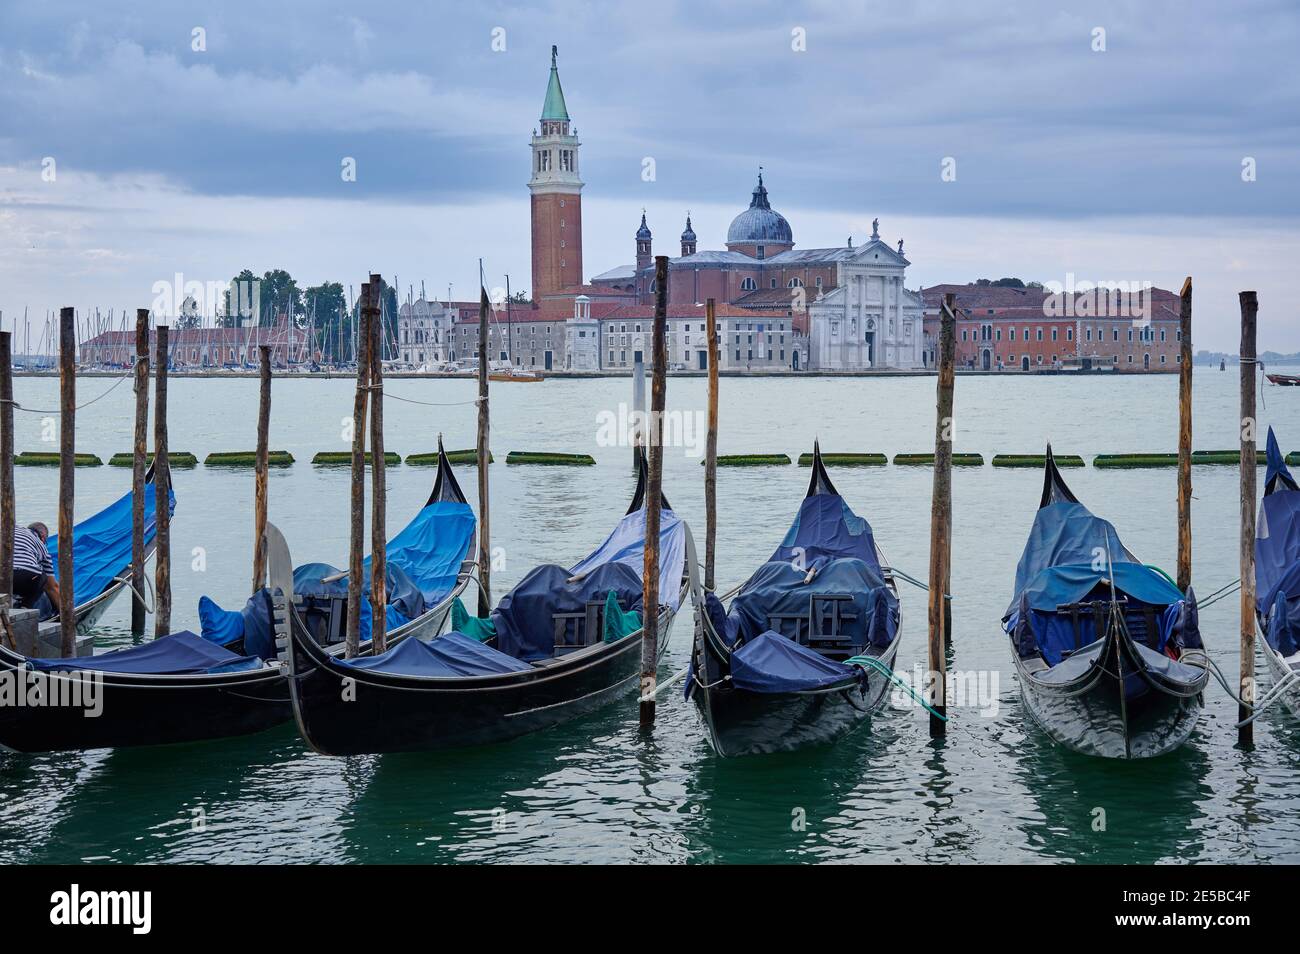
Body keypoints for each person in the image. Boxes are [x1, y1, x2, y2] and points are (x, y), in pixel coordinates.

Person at [12, 522, 60, 611]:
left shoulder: (13, 529)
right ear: (42, 537)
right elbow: (52, 587)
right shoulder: (41, 544)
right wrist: (66, 612)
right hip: (24, 576)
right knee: (42, 577)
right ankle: (25, 607)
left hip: (3, 574)